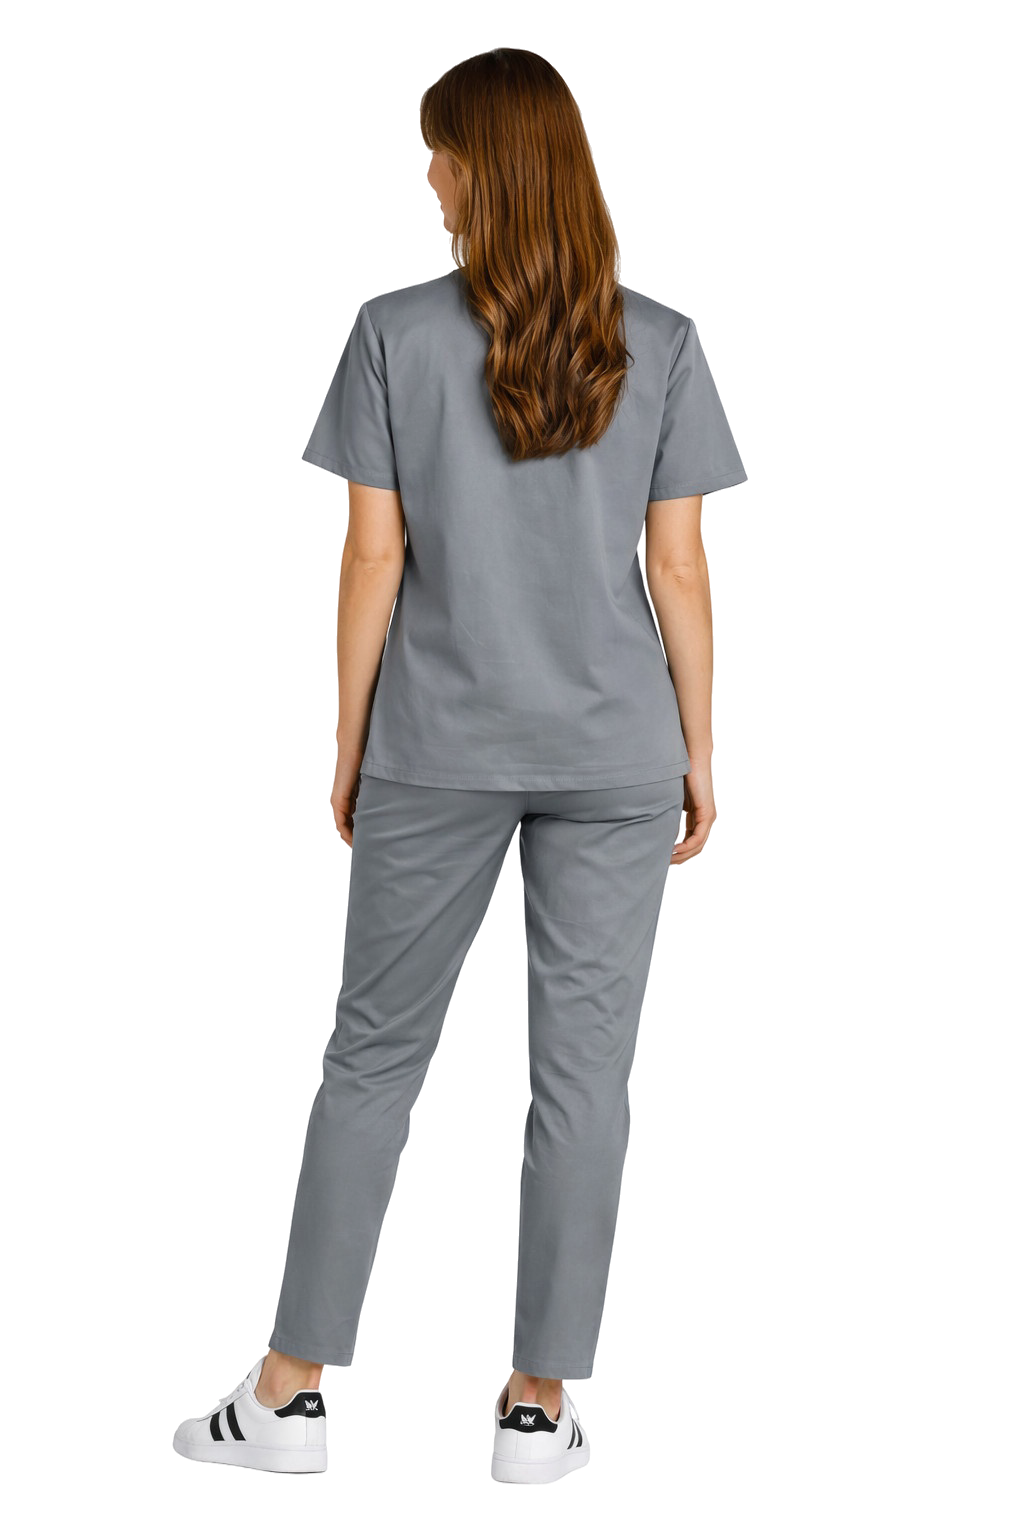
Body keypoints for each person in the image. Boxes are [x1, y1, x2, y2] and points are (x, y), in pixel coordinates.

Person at [173, 46, 747, 1485]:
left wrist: (352, 737)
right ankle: (536, 1410)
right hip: (618, 750)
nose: (426, 173)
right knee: (586, 1079)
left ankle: (289, 1397)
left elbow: (373, 555)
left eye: (439, 149)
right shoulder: (662, 342)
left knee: (372, 1057)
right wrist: (700, 749)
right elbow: (678, 568)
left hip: (437, 744)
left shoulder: (392, 334)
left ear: (486, 167)